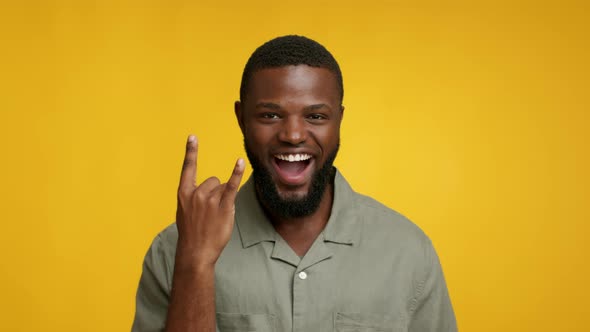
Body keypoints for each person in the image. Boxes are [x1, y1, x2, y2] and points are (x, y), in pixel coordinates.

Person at [132, 35, 457, 332]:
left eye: (315, 116)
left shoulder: (408, 252)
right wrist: (196, 264)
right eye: (270, 115)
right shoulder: (175, 249)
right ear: (241, 118)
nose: (293, 135)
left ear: (339, 120)